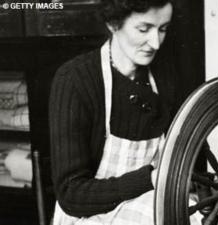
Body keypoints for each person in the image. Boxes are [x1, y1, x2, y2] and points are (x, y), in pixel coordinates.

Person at [48, 0, 184, 224]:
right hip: (88, 215)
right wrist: (148, 179)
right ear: (113, 23)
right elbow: (71, 194)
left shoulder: (165, 75)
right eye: (144, 29)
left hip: (150, 204)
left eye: (163, 29)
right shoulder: (75, 80)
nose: (155, 43)